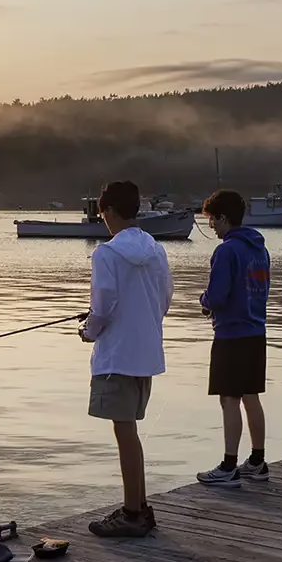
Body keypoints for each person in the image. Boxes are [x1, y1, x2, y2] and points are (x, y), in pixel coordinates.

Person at [79, 180, 174, 536]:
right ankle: (140, 507)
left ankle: (133, 512)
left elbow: (102, 308)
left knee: (125, 434)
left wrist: (87, 331)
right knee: (130, 432)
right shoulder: (157, 251)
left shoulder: (107, 253)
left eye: (103, 214)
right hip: (146, 354)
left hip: (117, 356)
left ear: (110, 212)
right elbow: (164, 301)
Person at [197, 189, 271, 486]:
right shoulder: (260, 249)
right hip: (256, 332)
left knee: (229, 399)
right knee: (250, 396)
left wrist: (203, 301)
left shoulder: (227, 251)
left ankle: (229, 467)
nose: (211, 225)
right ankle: (257, 461)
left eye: (212, 219)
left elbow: (216, 296)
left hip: (231, 335)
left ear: (224, 218)